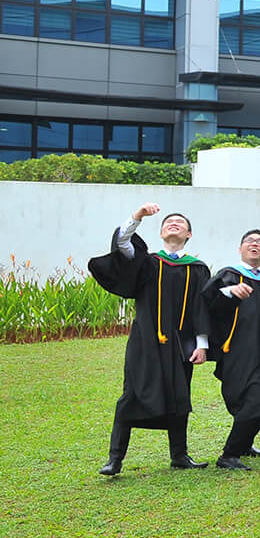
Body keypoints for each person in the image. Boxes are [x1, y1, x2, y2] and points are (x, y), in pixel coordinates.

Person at [88, 203, 211, 476]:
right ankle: (115, 459)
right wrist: (137, 217)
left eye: (180, 222)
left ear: (189, 234)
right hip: (145, 341)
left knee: (180, 397)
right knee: (131, 395)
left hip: (181, 344)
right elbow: (122, 243)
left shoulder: (198, 268)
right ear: (161, 232)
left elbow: (201, 308)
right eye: (169, 222)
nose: (174, 224)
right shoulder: (146, 262)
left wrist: (202, 345)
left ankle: (179, 456)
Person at [201, 229, 260, 470]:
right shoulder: (229, 275)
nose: (254, 244)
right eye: (249, 241)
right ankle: (228, 455)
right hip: (237, 350)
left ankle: (244, 445)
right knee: (253, 400)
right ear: (240, 248)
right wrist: (230, 292)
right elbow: (206, 301)